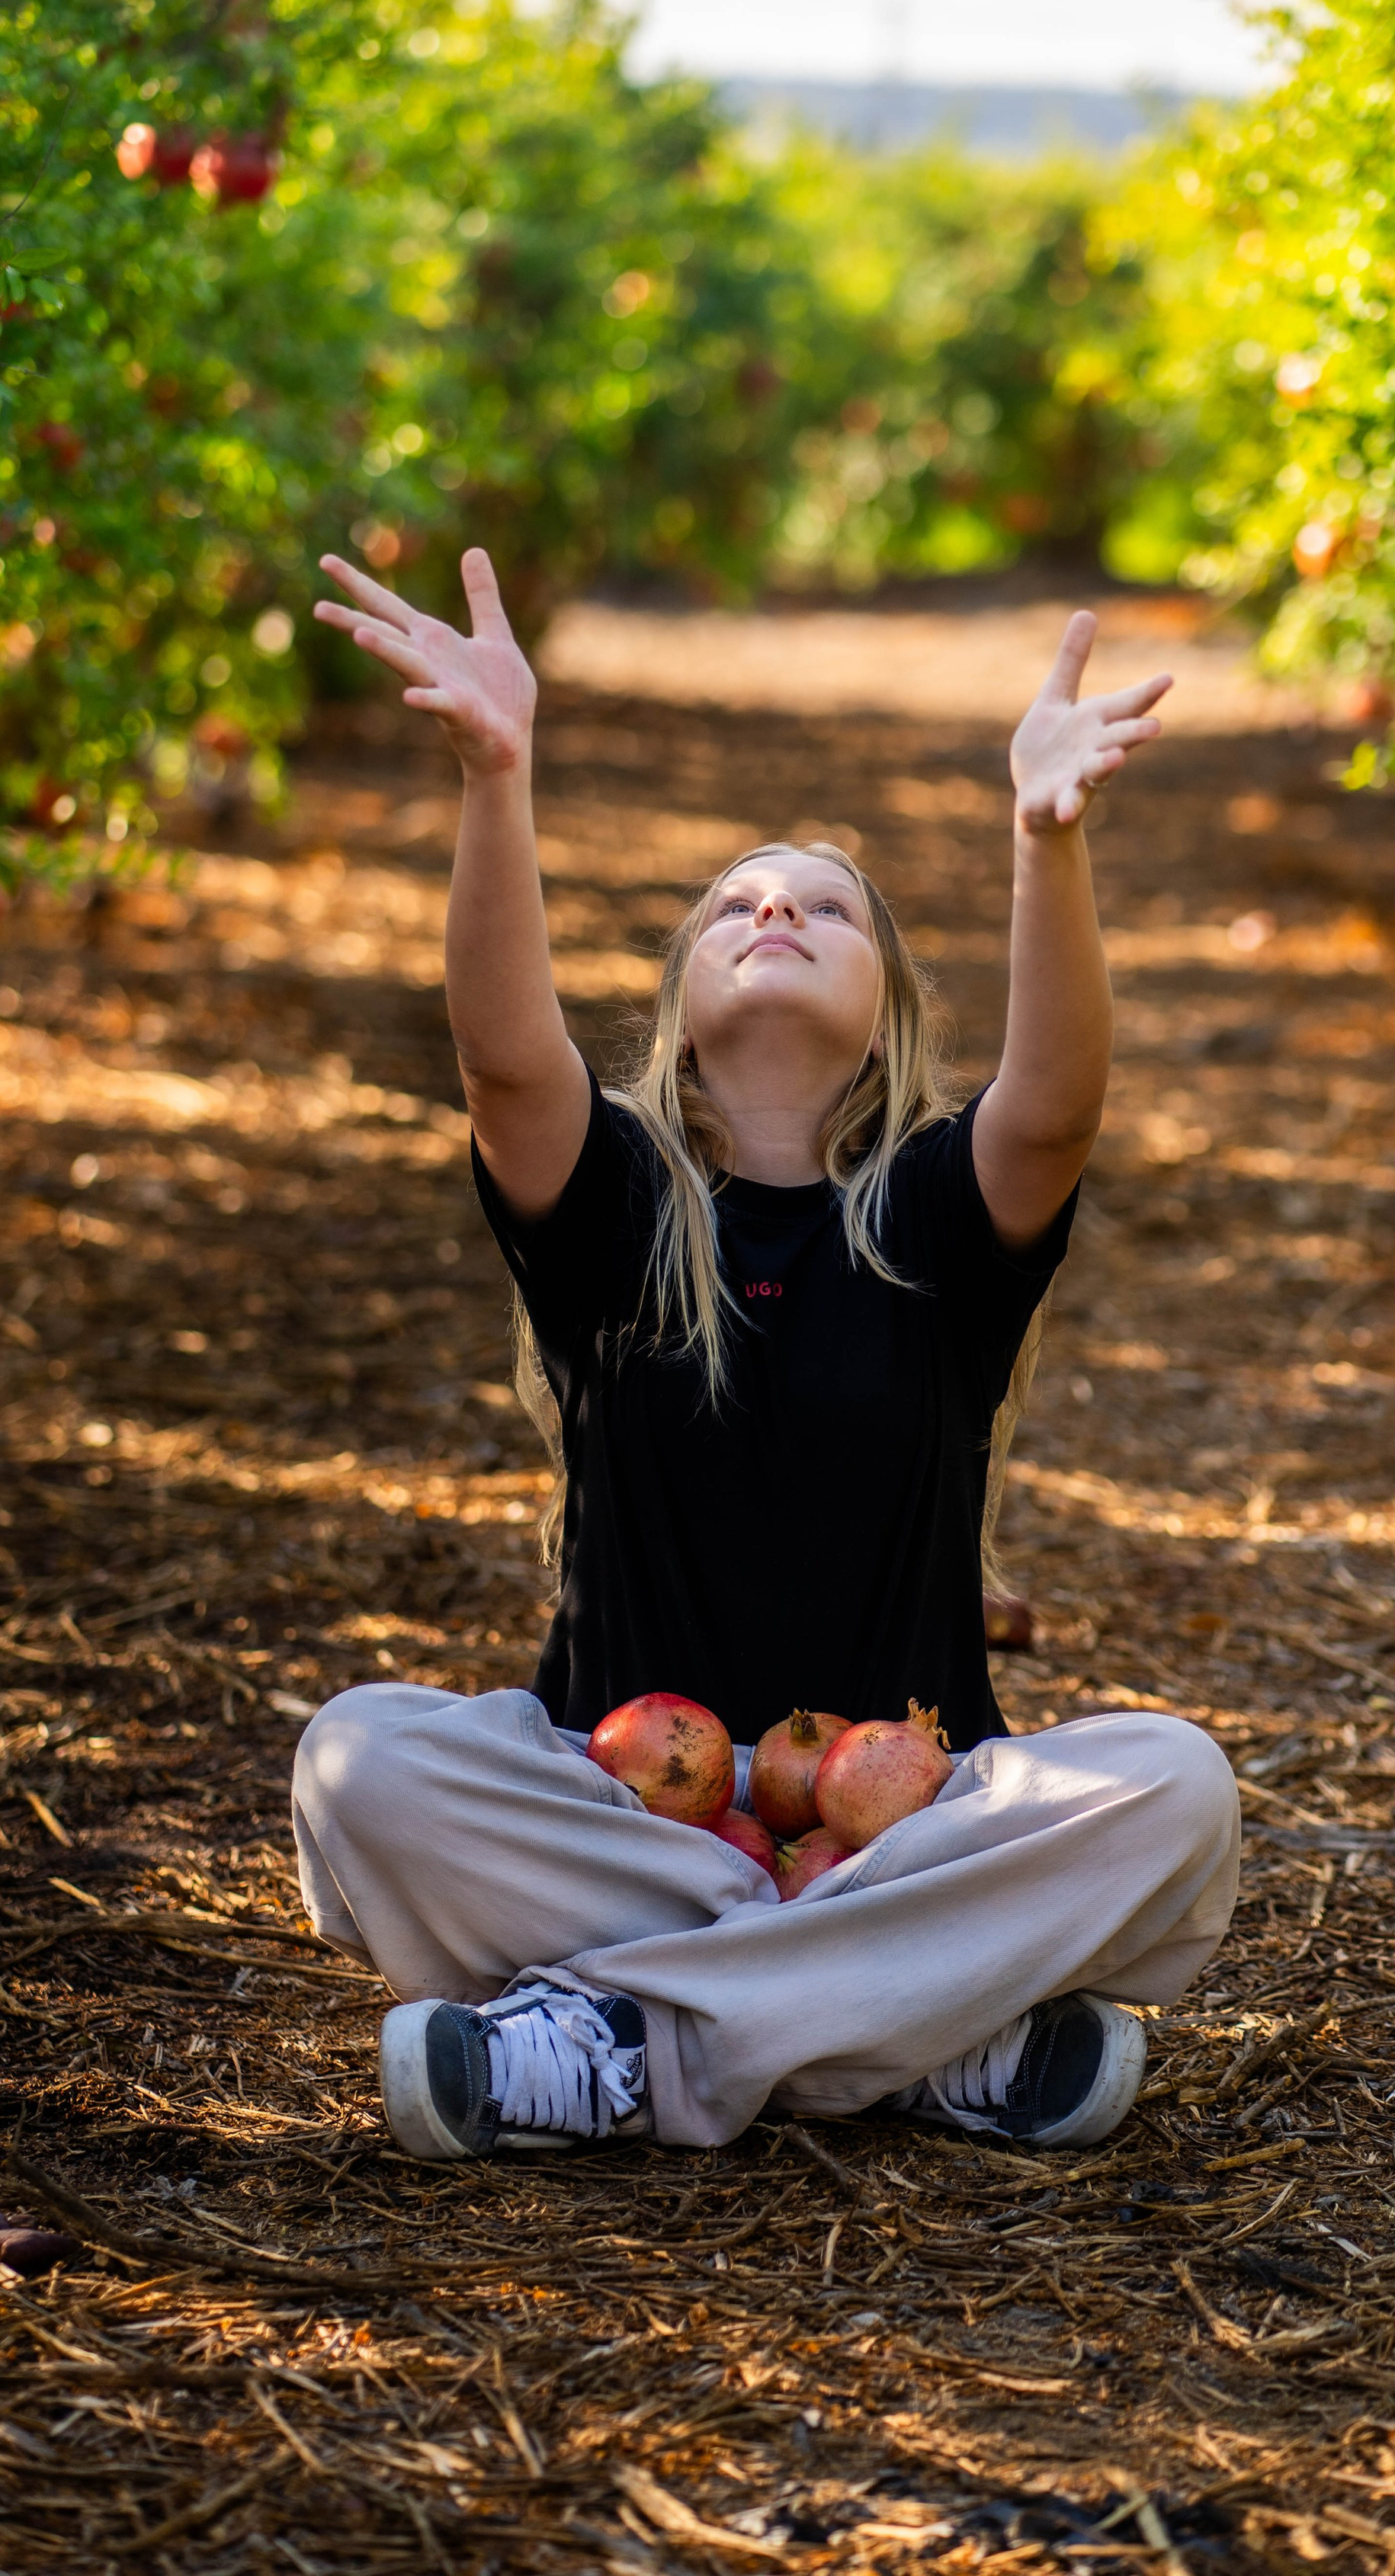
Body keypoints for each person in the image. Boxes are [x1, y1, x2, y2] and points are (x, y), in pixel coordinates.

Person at [291, 547, 1239, 2159]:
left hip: (899, 1826)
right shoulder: (616, 1209)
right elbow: (502, 1054)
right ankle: (908, 2030)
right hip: (619, 1806)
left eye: (819, 903)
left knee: (1178, 1787)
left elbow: (1057, 1102)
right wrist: (495, 777)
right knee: (356, 1766)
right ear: (677, 1011)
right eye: (733, 903)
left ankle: (606, 2040)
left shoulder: (930, 1219)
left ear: (884, 1014)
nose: (774, 906)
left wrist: (1043, 842)